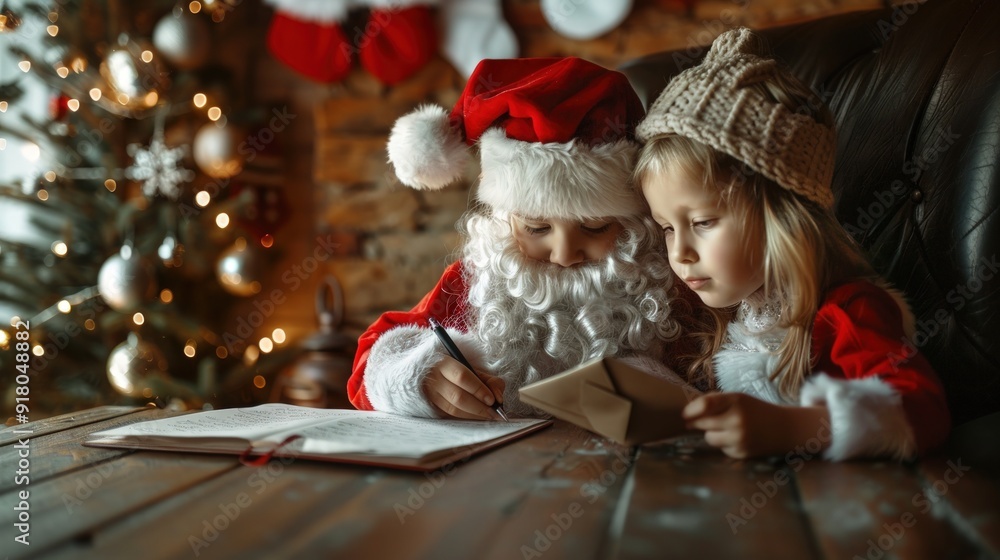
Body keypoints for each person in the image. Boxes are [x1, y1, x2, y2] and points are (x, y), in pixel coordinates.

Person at [632, 28, 951, 461]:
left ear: (784, 219)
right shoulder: (731, 312)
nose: (680, 253)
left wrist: (797, 428)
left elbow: (924, 411)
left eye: (704, 221)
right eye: (667, 228)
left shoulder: (847, 312)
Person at [348, 57, 690, 421]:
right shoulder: (473, 283)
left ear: (632, 225)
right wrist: (419, 377)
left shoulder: (672, 287)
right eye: (536, 228)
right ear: (505, 219)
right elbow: (370, 360)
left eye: (595, 228)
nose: (563, 254)